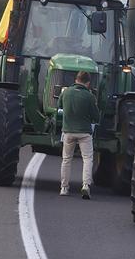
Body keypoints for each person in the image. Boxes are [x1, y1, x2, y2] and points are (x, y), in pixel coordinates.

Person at [59, 71, 100, 199]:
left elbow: (60, 107)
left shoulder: (65, 92)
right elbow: (96, 117)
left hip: (68, 131)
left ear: (76, 79)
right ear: (88, 83)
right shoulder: (89, 96)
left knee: (66, 159)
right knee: (87, 159)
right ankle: (86, 186)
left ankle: (64, 188)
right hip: (84, 133)